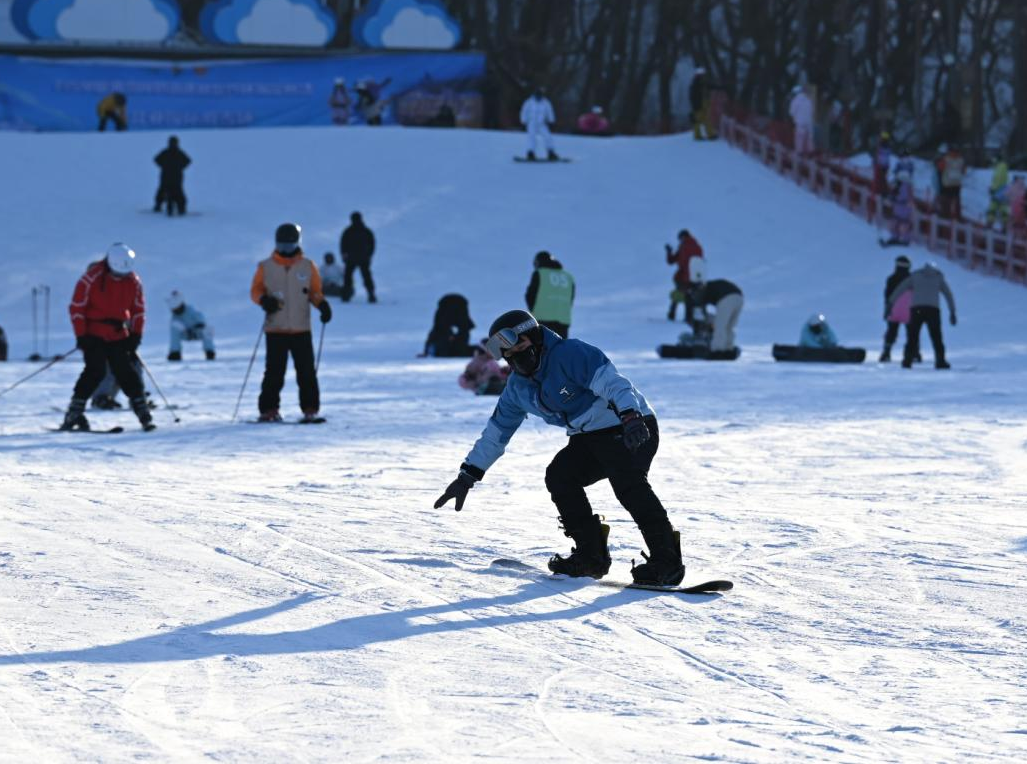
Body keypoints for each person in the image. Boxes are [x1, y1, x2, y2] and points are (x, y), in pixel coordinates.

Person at [434, 310, 684, 586]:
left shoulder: (570, 354)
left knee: (627, 482)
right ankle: (591, 556)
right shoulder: (518, 388)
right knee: (560, 475)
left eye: (520, 346)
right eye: (508, 352)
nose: (516, 355)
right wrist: (467, 476)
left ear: (536, 337)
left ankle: (667, 561)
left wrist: (630, 416)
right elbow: (496, 434)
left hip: (629, 425)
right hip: (588, 436)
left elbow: (614, 384)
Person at [60, 243, 154, 431]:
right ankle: (74, 413)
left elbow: (138, 310)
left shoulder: (133, 281)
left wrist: (136, 334)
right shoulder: (91, 278)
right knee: (95, 371)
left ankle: (143, 413)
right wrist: (81, 335)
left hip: (119, 334)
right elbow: (77, 307)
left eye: (123, 275)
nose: (119, 278)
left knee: (126, 372)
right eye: (116, 274)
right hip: (93, 333)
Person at [249, 223, 332, 422]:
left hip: (301, 328)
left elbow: (314, 292)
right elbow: (255, 291)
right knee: (274, 372)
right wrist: (264, 301)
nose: (286, 250)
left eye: (290, 245)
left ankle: (310, 409)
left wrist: (322, 305)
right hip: (275, 328)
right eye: (282, 246)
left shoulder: (307, 266)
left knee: (306, 372)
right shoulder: (265, 266)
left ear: (298, 243)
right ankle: (268, 410)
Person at [886, 261, 957, 369]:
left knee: (912, 336)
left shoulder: (915, 276)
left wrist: (890, 304)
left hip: (917, 309)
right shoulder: (938, 277)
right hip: (933, 310)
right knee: (936, 336)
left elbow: (900, 289)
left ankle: (907, 360)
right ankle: (940, 360)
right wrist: (952, 312)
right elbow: (948, 294)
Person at [686, 277, 743, 354]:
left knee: (719, 326)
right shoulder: (707, 286)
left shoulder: (700, 291)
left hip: (726, 296)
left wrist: (699, 325)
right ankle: (728, 348)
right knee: (729, 327)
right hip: (739, 297)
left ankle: (717, 350)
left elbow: (701, 312)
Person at [525, 251, 575, 338]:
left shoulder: (540, 273)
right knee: (560, 348)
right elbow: (571, 298)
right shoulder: (568, 277)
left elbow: (530, 295)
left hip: (542, 318)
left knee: (543, 348)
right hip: (563, 320)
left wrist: (533, 311)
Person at [665, 229, 704, 322]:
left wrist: (669, 252)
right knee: (688, 296)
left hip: (684, 277)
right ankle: (688, 317)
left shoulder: (684, 246)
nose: (680, 241)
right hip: (696, 278)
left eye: (680, 239)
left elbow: (674, 261)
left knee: (680, 294)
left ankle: (672, 315)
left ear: (683, 237)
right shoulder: (698, 247)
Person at [166, 290, 215, 361]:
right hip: (186, 334)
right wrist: (186, 330)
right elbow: (177, 327)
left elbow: (201, 319)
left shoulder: (191, 310)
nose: (175, 310)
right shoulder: (174, 317)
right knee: (174, 328)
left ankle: (210, 352)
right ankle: (175, 353)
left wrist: (199, 325)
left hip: (197, 332)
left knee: (208, 329)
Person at [880, 255, 912, 363]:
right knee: (912, 332)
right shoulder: (912, 279)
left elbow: (887, 295)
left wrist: (887, 309)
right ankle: (913, 352)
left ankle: (886, 352)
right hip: (909, 309)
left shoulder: (891, 279)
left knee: (891, 331)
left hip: (894, 308)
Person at [339, 211, 376, 303]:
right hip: (359, 258)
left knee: (351, 277)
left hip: (355, 258)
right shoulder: (365, 231)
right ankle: (370, 294)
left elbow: (343, 244)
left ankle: (347, 296)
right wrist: (369, 255)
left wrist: (344, 255)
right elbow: (372, 245)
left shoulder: (350, 231)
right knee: (364, 277)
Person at [153, 136, 191, 216]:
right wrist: (180, 167)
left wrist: (163, 166)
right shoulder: (177, 153)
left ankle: (160, 206)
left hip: (168, 176)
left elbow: (187, 161)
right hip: (174, 177)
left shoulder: (167, 152)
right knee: (176, 191)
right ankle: (181, 208)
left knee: (164, 191)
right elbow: (187, 161)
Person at [520, 87, 558, 161]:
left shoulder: (546, 102)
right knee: (532, 138)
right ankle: (531, 153)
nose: (539, 97)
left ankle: (551, 152)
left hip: (541, 123)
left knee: (548, 137)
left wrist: (551, 120)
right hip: (532, 123)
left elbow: (550, 111)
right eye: (537, 95)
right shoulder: (529, 102)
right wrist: (523, 120)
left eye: (540, 95)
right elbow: (524, 111)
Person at [883, 158, 913, 246]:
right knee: (896, 222)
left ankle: (903, 238)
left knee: (902, 223)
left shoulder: (905, 186)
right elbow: (894, 194)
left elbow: (900, 196)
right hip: (899, 206)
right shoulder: (900, 185)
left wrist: (892, 198)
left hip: (903, 206)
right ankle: (896, 237)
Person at [935, 144, 965, 220]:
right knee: (957, 204)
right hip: (957, 185)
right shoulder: (961, 160)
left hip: (946, 186)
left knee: (945, 205)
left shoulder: (945, 159)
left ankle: (944, 220)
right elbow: (964, 171)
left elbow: (939, 169)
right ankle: (958, 219)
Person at [689, 68, 716, 140]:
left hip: (701, 104)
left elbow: (711, 87)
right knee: (702, 120)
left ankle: (702, 135)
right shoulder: (697, 84)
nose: (703, 77)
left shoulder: (697, 84)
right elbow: (693, 96)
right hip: (699, 105)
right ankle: (707, 135)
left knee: (702, 120)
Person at [985, 153, 1010, 231]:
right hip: (1002, 191)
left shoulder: (1001, 167)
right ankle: (1004, 226)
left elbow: (999, 180)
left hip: (999, 191)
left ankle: (990, 225)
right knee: (1002, 208)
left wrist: (993, 189)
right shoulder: (999, 167)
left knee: (994, 207)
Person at [788, 85, 814, 156]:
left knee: (799, 138)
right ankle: (809, 153)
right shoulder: (808, 100)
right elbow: (811, 111)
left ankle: (799, 154)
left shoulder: (795, 101)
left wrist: (793, 118)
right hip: (808, 122)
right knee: (808, 138)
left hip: (800, 122)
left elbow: (792, 112)